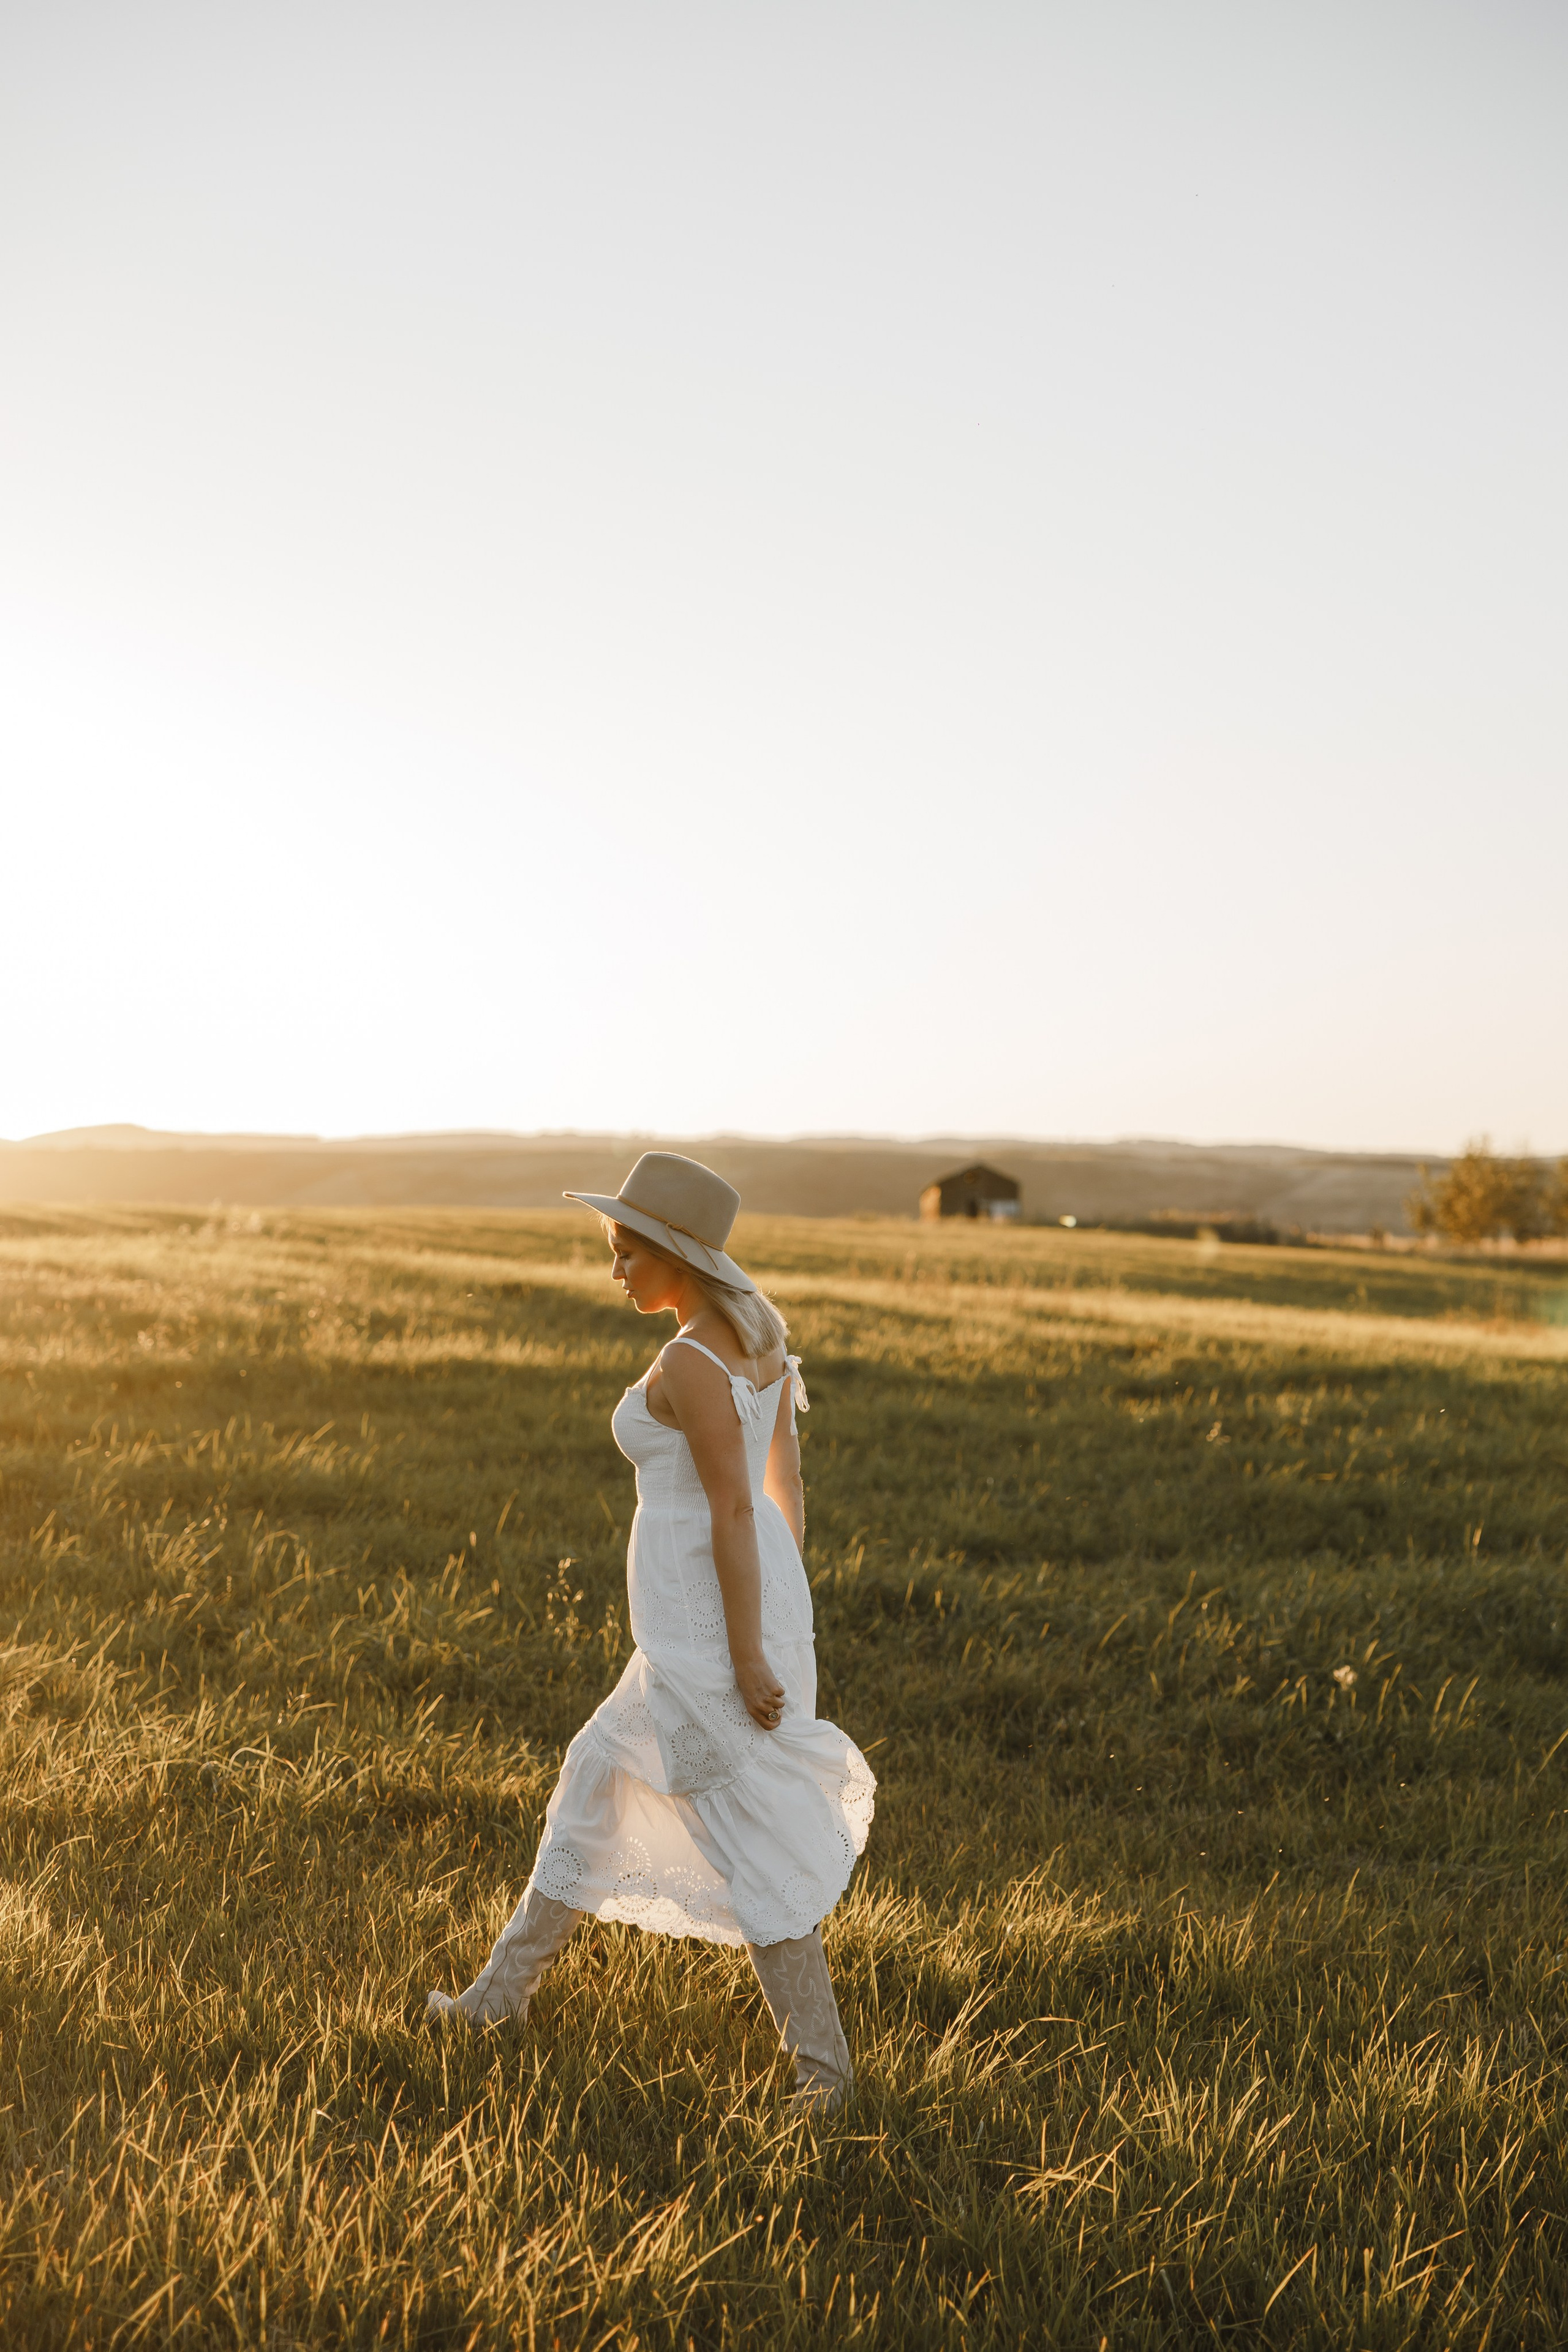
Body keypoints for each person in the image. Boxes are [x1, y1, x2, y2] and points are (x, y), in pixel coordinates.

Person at [426, 1152, 875, 2115]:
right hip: (714, 1618)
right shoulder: (756, 1333)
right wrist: (783, 1602)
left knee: (746, 1835)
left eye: (627, 1252)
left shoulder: (691, 1358)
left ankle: (826, 2078)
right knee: (591, 1778)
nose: (614, 1269)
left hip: (703, 1633)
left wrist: (749, 1652)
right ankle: (496, 2001)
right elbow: (780, 1495)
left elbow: (730, 1509)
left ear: (676, 1254)